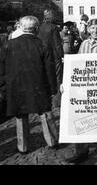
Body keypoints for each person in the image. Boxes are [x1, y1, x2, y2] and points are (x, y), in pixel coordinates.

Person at [0, 16, 59, 154]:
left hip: (16, 86)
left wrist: (3, 87)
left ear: (20, 27)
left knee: (20, 116)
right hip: (39, 86)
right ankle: (52, 142)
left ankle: (23, 147)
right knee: (45, 114)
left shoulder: (8, 44)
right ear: (37, 28)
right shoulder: (43, 45)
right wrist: (52, 89)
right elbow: (49, 70)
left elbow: (1, 68)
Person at [64, 19, 97, 164]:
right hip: (87, 87)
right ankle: (81, 151)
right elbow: (79, 64)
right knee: (83, 114)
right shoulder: (84, 44)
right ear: (88, 30)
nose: (95, 31)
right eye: (92, 28)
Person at [37, 9, 64, 86]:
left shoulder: (39, 27)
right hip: (54, 55)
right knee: (57, 76)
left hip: (42, 54)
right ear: (51, 16)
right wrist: (62, 55)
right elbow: (57, 44)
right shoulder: (53, 27)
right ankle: (57, 94)